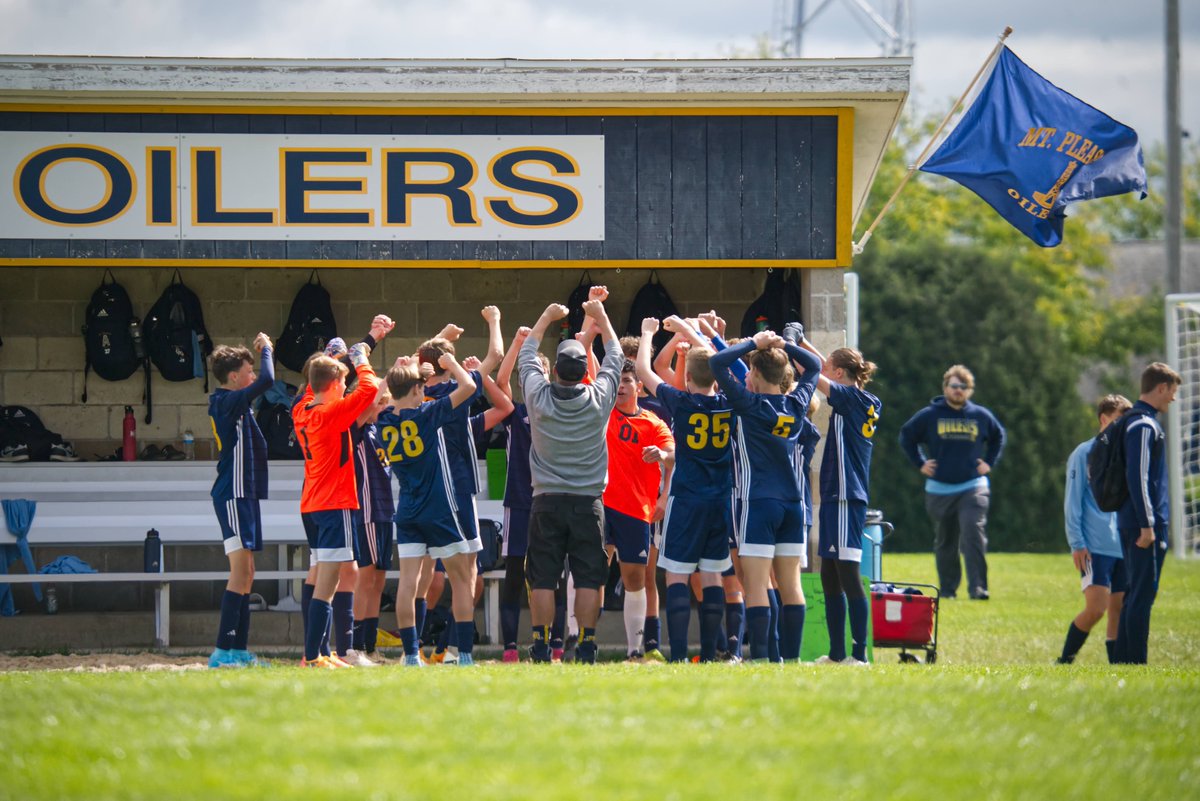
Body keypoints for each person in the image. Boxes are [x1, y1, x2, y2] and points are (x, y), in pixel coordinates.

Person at [520, 292, 624, 664]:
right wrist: (601, 316)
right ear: (584, 372)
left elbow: (526, 355)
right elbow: (616, 357)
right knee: (588, 577)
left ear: (555, 371)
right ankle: (587, 644)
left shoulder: (538, 397)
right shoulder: (599, 399)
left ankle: (541, 645)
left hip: (546, 501)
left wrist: (546, 317)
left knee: (543, 578)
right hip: (587, 502)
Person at [710, 329, 821, 662]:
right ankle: (792, 659)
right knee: (791, 585)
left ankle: (761, 659)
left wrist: (754, 343)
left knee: (757, 584)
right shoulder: (797, 403)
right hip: (793, 505)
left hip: (758, 502)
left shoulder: (749, 405)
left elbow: (717, 363)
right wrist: (785, 344)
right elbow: (814, 366)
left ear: (755, 372)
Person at [292, 317, 391, 669]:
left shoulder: (301, 408)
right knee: (328, 583)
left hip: (311, 504)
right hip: (334, 503)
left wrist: (342, 355)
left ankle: (318, 652)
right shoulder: (333, 412)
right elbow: (369, 388)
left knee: (320, 574)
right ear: (335, 384)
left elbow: (315, 382)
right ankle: (315, 655)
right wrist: (361, 356)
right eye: (341, 381)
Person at [638, 316, 733, 663]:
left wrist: (647, 333)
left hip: (687, 497)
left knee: (677, 574)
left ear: (687, 376)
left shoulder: (682, 401)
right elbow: (725, 368)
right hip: (719, 498)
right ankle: (709, 654)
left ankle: (678, 655)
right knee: (711, 576)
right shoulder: (730, 402)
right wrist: (710, 335)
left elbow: (644, 370)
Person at [381, 353, 481, 666]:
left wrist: (406, 370)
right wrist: (451, 364)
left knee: (408, 583)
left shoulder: (384, 419)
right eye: (420, 388)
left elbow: (387, 395)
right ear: (415, 390)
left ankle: (411, 655)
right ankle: (464, 655)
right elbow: (468, 387)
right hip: (438, 509)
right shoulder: (426, 413)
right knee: (462, 580)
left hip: (407, 511)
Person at [899, 365, 1006, 600]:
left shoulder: (980, 415)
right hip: (939, 489)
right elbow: (906, 436)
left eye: (963, 386)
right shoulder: (930, 415)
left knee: (972, 532)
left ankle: (978, 588)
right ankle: (947, 591)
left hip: (973, 486)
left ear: (970, 390)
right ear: (945, 387)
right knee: (946, 540)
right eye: (954, 385)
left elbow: (998, 436)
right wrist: (920, 463)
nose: (958, 390)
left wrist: (989, 462)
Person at [206, 333, 274, 668]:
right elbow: (268, 380)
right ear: (234, 377)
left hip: (244, 495)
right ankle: (223, 651)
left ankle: (239, 651)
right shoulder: (227, 401)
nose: (253, 376)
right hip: (232, 494)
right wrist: (267, 350)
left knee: (248, 571)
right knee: (240, 571)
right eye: (248, 371)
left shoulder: (237, 403)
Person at [813, 346, 881, 666]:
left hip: (845, 494)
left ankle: (859, 654)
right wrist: (803, 344)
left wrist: (788, 345)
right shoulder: (861, 398)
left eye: (829, 366)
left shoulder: (851, 398)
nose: (824, 369)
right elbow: (819, 366)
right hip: (833, 494)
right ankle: (837, 654)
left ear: (839, 373)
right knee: (829, 575)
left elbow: (813, 372)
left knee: (849, 575)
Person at [603, 357, 674, 661]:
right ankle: (578, 642)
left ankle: (635, 650)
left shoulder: (654, 422)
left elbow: (673, 455)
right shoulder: (602, 412)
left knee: (636, 578)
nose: (621, 386)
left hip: (636, 510)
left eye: (627, 380)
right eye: (617, 380)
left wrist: (661, 456)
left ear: (639, 387)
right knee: (592, 572)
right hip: (600, 506)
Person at [1114, 362, 1181, 664]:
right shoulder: (1143, 425)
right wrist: (1147, 524)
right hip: (1143, 523)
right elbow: (1137, 476)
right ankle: (1135, 663)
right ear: (1161, 388)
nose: (1174, 398)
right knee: (1141, 596)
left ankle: (1124, 662)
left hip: (1139, 521)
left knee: (1136, 594)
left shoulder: (1141, 421)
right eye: (1172, 392)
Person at [1058, 394, 1132, 664]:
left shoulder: (1126, 456)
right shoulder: (1084, 453)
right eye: (1119, 420)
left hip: (1121, 545)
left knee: (1118, 609)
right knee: (1097, 609)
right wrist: (1077, 542)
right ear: (1104, 419)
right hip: (1094, 546)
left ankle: (1117, 667)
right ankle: (1064, 660)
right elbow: (1072, 502)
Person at [349, 390, 397, 666]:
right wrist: (379, 387)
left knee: (379, 580)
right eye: (379, 402)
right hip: (366, 510)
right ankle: (355, 647)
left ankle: (370, 646)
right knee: (365, 579)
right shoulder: (357, 429)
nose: (382, 407)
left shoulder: (380, 429)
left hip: (385, 510)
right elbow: (366, 403)